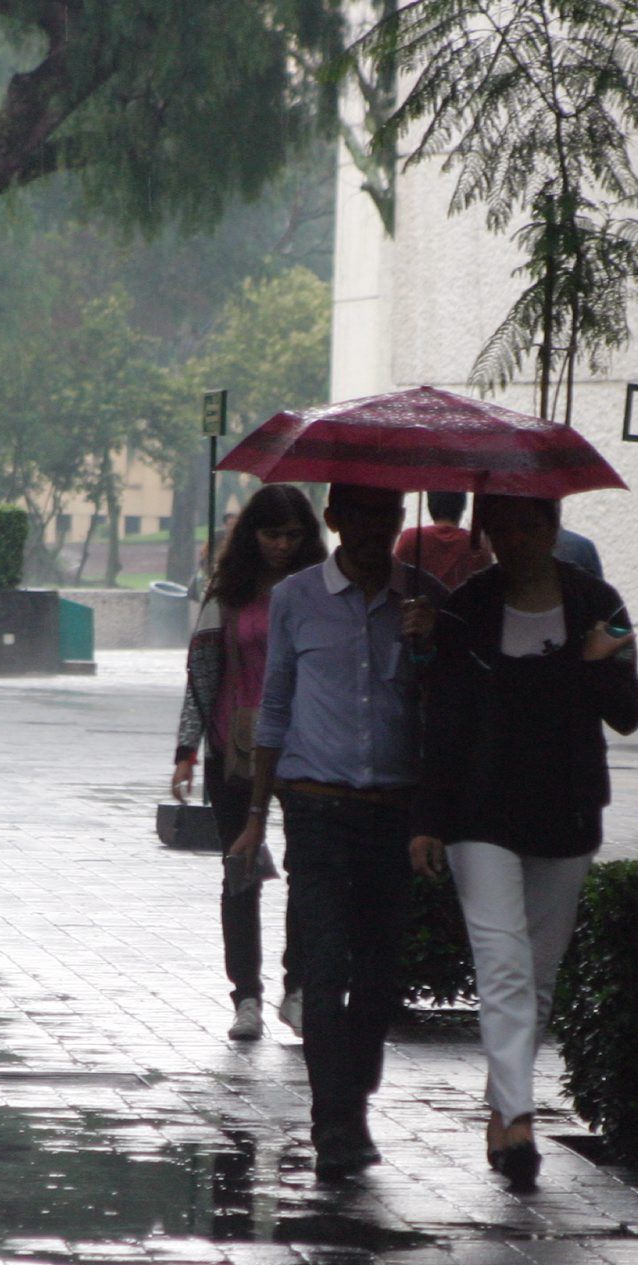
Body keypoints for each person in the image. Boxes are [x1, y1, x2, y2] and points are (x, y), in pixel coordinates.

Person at [409, 493, 638, 1188]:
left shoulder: (596, 599)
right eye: (499, 526)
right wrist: (426, 815)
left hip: (564, 810)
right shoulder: (465, 606)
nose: (513, 538)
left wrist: (600, 661)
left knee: (537, 979)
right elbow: (441, 718)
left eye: (527, 524)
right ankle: (517, 1120)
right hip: (479, 812)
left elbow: (627, 714)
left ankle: (499, 1103)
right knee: (503, 963)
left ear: (552, 525)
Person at [230, 482, 424, 1181]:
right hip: (313, 807)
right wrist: (256, 815)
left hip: (392, 811)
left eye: (390, 516)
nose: (378, 530)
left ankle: (352, 1096)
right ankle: (332, 1124)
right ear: (337, 521)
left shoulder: (421, 597)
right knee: (324, 963)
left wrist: (430, 645)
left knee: (377, 975)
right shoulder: (297, 598)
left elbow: (444, 709)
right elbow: (274, 703)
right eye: (364, 516)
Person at [173, 484, 324, 1041]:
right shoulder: (228, 592)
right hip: (235, 746)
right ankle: (246, 997)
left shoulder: (319, 591)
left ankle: (299, 988)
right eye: (271, 534)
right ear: (251, 535)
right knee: (240, 870)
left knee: (309, 871)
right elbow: (201, 676)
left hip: (306, 745)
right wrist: (187, 750)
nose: (283, 545)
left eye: (293, 535)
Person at [393, 489, 490, 593]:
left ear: (430, 506)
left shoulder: (410, 538)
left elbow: (395, 581)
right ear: (462, 506)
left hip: (417, 608)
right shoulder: (477, 545)